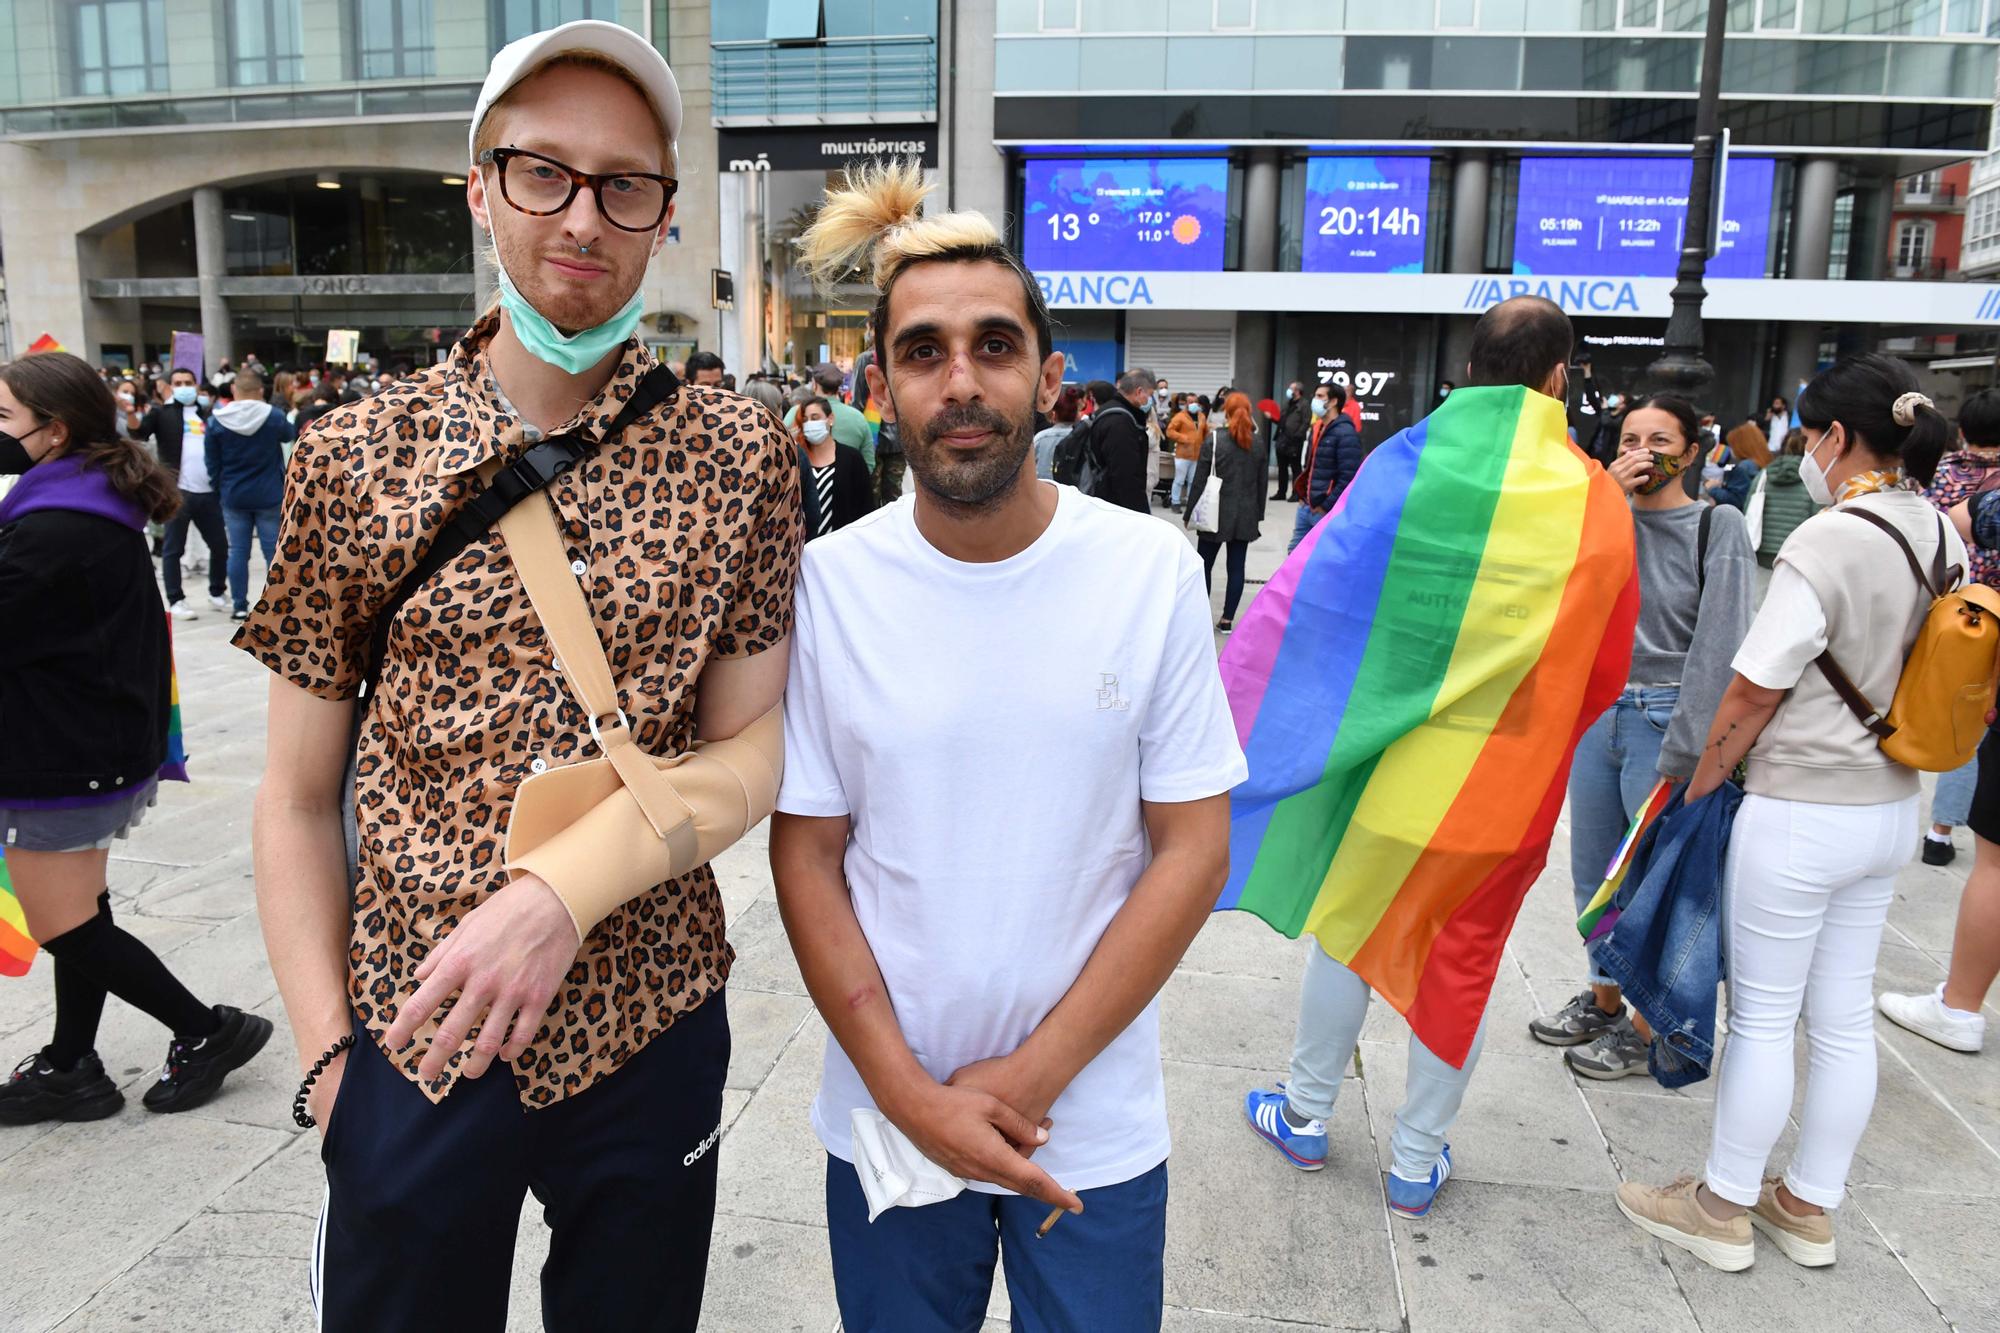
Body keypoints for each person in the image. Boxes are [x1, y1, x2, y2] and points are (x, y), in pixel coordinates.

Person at [238, 22, 800, 1329]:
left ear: (665, 216)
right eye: (542, 171)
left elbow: (753, 748)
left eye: (626, 184)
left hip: (649, 1011)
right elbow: (290, 792)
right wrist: (329, 1058)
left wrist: (559, 894)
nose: (583, 218)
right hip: (415, 1027)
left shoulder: (740, 452)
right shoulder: (354, 452)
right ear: (481, 185)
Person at [775, 156, 1245, 1332]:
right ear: (880, 386)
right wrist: (904, 1090)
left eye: (993, 344)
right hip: (888, 1117)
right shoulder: (829, 584)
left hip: (1089, 1124)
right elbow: (806, 853)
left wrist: (1025, 1081)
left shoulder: (1146, 575)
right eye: (924, 353)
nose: (962, 381)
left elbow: (1191, 850)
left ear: (1048, 372)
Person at [1239, 296, 1637, 1221]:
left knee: (1348, 929)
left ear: (1471, 366)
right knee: (1462, 962)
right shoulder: (1597, 501)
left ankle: (1303, 1115)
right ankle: (1416, 1161)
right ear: (1556, 377)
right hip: (1501, 791)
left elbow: (1317, 594)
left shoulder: (1403, 465)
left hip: (1395, 776)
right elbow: (1609, 666)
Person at [1618, 354, 1960, 1272]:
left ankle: (1722, 1203)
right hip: (1888, 802)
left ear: (1838, 439)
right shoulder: (1941, 535)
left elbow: (1751, 688)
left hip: (1801, 806)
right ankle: (1808, 1203)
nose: (1804, 452)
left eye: (1811, 435)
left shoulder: (1829, 538)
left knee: (1765, 1019)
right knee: (1842, 1014)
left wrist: (1697, 784)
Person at [0, 351, 273, 1125]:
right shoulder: (83, 499)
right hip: (92, 740)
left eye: (3, 420)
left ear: (53, 433)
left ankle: (207, 1029)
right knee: (81, 913)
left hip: (58, 750)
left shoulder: (55, 526)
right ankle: (69, 1064)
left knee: (65, 922)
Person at [1533, 394, 1755, 1077]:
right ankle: (1602, 998)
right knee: (1594, 875)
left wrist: (1690, 749)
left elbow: (1720, 645)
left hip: (1666, 717)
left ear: (1691, 452)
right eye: (1630, 438)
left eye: (1660, 439)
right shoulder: (1600, 516)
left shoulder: (1715, 526)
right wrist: (1603, 502)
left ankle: (1641, 1023)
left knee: (1647, 881)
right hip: (1599, 714)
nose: (1643, 451)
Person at [1913, 388, 2000, 866]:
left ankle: (1939, 832)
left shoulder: (1942, 474)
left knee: (1961, 714)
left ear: (1962, 430)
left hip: (1959, 611)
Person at [127, 366, 229, 620]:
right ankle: (176, 599)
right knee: (174, 548)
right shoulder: (162, 414)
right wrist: (129, 413)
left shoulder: (208, 413)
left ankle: (217, 592)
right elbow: (138, 433)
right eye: (178, 382)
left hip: (208, 492)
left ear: (196, 385)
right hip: (178, 491)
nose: (184, 386)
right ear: (171, 387)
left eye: (188, 382)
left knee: (220, 546)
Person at [205, 369, 294, 622]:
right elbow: (289, 435)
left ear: (234, 390)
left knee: (238, 551)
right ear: (261, 391)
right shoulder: (273, 417)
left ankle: (239, 605)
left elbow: (211, 462)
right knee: (272, 552)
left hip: (233, 494)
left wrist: (219, 487)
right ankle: (276, 605)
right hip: (269, 493)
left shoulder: (216, 420)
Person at [1183, 390, 1266, 632]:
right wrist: (1258, 514)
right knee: (1236, 567)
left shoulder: (1215, 439)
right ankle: (1227, 620)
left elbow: (1200, 480)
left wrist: (1190, 513)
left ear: (1226, 411)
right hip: (1246, 513)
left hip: (1214, 513)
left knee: (1204, 565)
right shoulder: (1257, 442)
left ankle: (1201, 617)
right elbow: (1262, 483)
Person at [1288, 381, 1360, 553]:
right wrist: (1302, 495)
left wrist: (1326, 505)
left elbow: (1349, 477)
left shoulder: (1345, 433)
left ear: (1333, 402)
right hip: (1306, 506)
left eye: (1320, 396)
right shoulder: (1317, 428)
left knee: (1319, 560)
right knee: (1294, 556)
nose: (1315, 400)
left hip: (1323, 511)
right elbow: (1310, 466)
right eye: (1315, 396)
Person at [796, 395, 873, 539]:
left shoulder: (852, 458)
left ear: (830, 419)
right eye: (805, 420)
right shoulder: (798, 459)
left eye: (815, 417)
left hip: (843, 545)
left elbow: (865, 506)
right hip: (804, 547)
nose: (810, 423)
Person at [785, 363, 874, 470]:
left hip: (803, 483)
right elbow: (869, 463)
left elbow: (781, 449)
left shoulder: (797, 412)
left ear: (814, 385)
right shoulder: (858, 418)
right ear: (838, 387)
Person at [1752, 431, 1818, 567]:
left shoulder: (1764, 475)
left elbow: (1748, 508)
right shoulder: (1814, 479)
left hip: (1760, 551)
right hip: (1795, 555)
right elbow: (1817, 518)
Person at [1032, 384, 1082, 480]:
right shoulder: (1083, 437)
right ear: (1076, 414)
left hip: (1044, 489)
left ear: (1054, 414)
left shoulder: (1041, 438)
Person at [1166, 393, 1204, 507]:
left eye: (1195, 401)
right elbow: (1170, 431)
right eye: (1190, 402)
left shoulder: (1201, 416)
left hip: (1197, 454)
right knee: (1179, 480)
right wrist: (1183, 438)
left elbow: (1205, 431)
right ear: (1186, 403)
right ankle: (1175, 502)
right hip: (1183, 454)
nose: (1193, 404)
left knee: (1193, 481)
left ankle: (1190, 502)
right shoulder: (1180, 416)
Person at [1274, 380, 1310, 500]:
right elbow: (1281, 420)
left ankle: (1296, 493)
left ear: (1297, 391)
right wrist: (1272, 418)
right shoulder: (1287, 404)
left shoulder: (1304, 404)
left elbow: (1306, 422)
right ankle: (1281, 492)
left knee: (1295, 468)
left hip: (1294, 441)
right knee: (1282, 468)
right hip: (1282, 439)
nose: (1289, 391)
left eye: (1291, 388)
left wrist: (1297, 435)